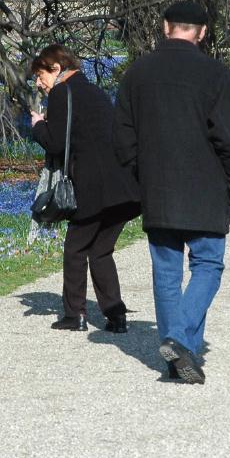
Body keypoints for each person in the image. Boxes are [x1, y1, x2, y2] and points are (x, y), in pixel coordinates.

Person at [113, 1, 230, 384]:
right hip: (205, 187)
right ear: (202, 32)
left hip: (158, 187)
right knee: (208, 265)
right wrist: (229, 181)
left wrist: (142, 175)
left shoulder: (136, 74)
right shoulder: (216, 74)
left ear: (165, 26)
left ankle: (179, 359)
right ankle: (179, 338)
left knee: (167, 272)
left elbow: (122, 140)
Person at [30, 44, 140, 333]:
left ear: (56, 68)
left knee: (75, 248)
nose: (39, 83)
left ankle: (75, 314)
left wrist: (38, 125)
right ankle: (116, 316)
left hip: (94, 188)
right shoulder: (95, 91)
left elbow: (54, 141)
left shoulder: (61, 93)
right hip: (123, 187)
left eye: (41, 75)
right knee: (101, 250)